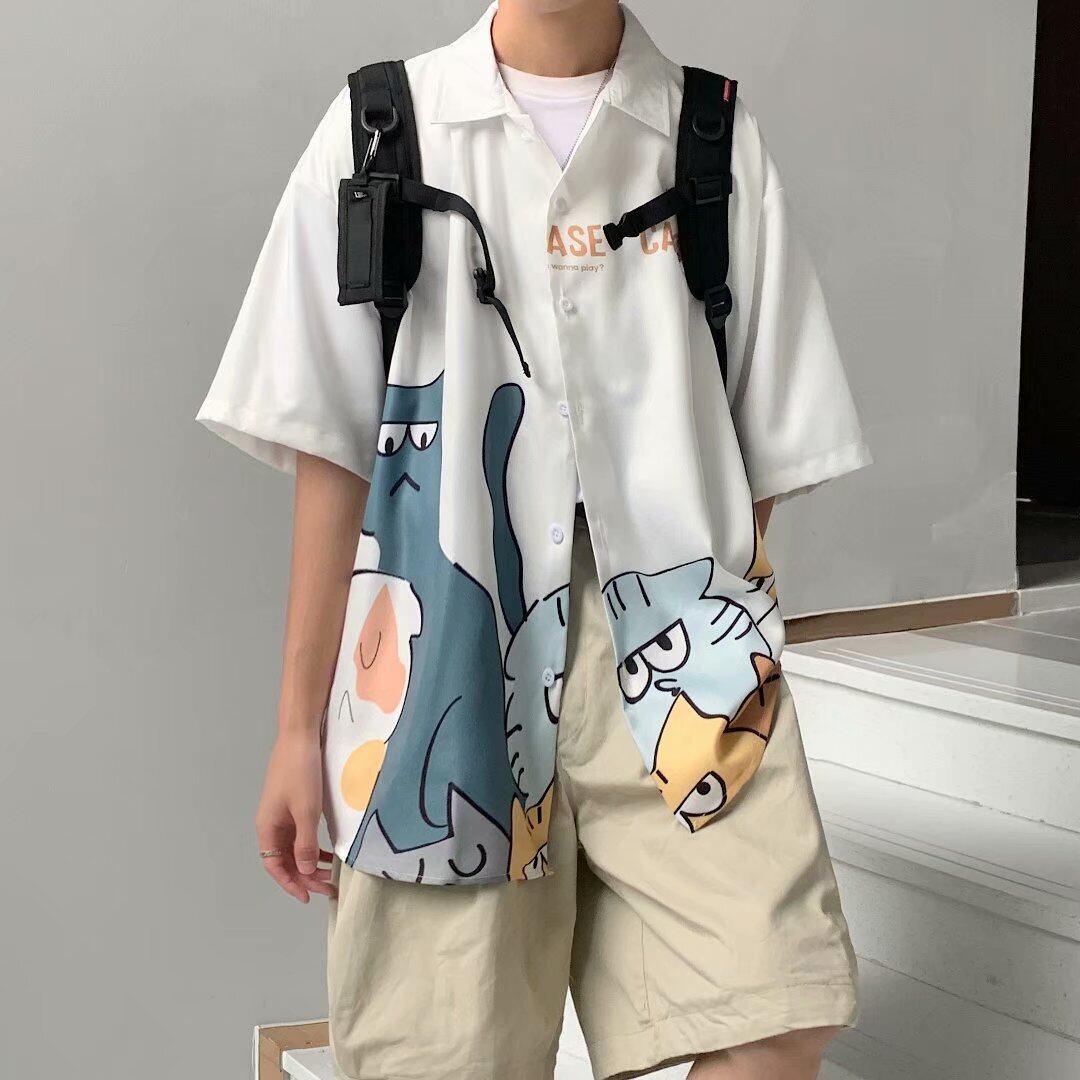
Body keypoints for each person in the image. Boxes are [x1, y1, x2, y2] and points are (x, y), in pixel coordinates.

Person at [197, 0, 872, 1076]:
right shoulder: (382, 127)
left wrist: (711, 610)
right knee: (443, 1054)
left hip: (676, 648)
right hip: (443, 653)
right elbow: (335, 450)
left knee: (777, 999)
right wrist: (294, 726)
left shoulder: (710, 133)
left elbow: (763, 437)